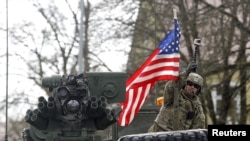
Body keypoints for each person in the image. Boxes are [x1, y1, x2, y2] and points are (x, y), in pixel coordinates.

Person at [148, 62, 205, 132]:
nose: (192, 87)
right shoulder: (174, 95)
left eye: (196, 86)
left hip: (178, 136)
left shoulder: (197, 106)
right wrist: (186, 73)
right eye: (190, 84)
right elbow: (170, 87)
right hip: (160, 132)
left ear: (198, 89)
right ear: (185, 84)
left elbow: (198, 128)